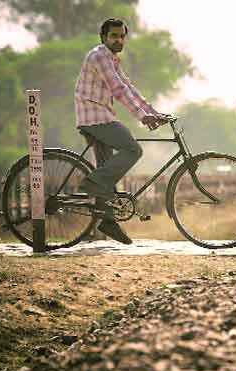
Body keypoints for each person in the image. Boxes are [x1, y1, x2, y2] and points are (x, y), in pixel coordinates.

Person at [74, 18, 167, 244]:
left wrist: (153, 111)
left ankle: (107, 221)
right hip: (93, 115)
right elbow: (118, 90)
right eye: (114, 36)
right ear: (104, 37)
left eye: (122, 36)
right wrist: (142, 116)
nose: (119, 40)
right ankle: (92, 183)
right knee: (133, 150)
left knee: (108, 172)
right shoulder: (99, 56)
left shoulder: (112, 58)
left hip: (100, 115)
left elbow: (128, 86)